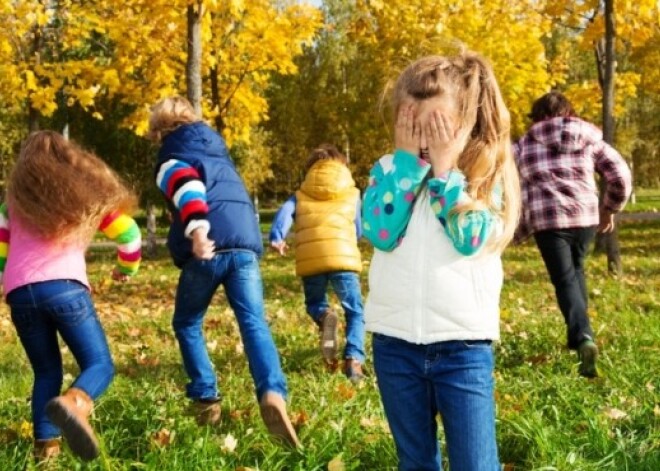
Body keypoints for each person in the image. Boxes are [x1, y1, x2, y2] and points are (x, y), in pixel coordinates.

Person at [362, 51, 521, 471]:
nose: (424, 141)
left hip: (462, 345)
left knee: (475, 462)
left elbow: (470, 239)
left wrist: (449, 173)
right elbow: (379, 232)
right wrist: (405, 168)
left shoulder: (483, 176)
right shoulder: (387, 171)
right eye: (413, 127)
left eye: (436, 128)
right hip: (395, 344)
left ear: (463, 126)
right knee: (414, 461)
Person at [147, 96, 300, 447]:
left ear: (160, 130)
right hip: (244, 245)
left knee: (186, 322)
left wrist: (199, 232)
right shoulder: (220, 154)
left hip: (208, 247)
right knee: (253, 322)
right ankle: (273, 394)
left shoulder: (172, 156)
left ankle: (205, 398)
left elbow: (188, 187)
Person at [0, 131, 142, 462]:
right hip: (66, 288)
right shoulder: (82, 197)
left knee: (46, 372)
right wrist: (126, 269)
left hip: (20, 294)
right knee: (99, 364)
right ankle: (74, 403)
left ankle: (45, 455)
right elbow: (131, 235)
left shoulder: (10, 206)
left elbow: (1, 252)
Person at [513, 91, 632, 378]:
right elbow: (620, 175)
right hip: (585, 219)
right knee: (576, 271)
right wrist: (610, 208)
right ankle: (577, 334)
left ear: (537, 116)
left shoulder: (523, 146)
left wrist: (515, 229)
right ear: (570, 112)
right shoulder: (590, 140)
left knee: (564, 279)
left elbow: (506, 184)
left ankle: (582, 337)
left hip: (549, 221)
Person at [269, 144, 366, 383]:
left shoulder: (301, 194)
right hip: (343, 257)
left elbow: (284, 214)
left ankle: (324, 315)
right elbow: (359, 229)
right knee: (355, 311)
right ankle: (354, 360)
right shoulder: (352, 194)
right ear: (341, 166)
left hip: (312, 259)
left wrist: (277, 237)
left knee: (314, 301)